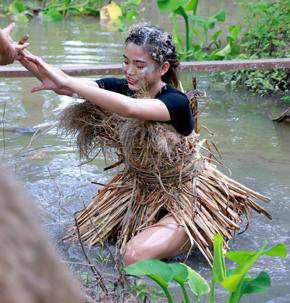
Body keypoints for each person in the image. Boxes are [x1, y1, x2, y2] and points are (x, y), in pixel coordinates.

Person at [0, 22, 271, 266]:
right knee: (73, 243)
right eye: (125, 62)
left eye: (139, 65)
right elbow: (64, 87)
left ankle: (188, 240)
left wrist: (69, 82)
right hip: (140, 187)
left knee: (133, 256)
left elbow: (130, 109)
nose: (129, 71)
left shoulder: (175, 103)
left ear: (163, 68)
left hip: (184, 195)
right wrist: (20, 57)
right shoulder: (125, 86)